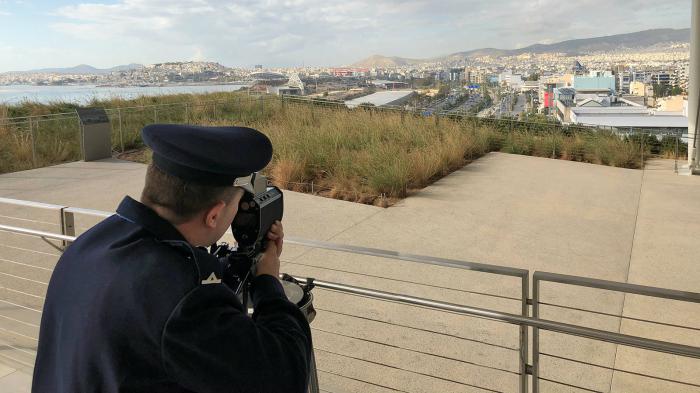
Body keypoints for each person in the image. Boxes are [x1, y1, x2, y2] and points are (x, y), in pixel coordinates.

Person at [32, 124, 312, 393]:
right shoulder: (185, 301)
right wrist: (268, 283)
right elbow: (284, 375)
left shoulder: (88, 245)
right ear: (214, 215)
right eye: (238, 204)